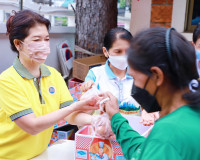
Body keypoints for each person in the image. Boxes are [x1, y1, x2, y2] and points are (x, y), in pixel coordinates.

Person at [0, 10, 99, 160]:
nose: (44, 45)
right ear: (18, 44)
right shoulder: (7, 81)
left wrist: (98, 122)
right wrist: (75, 106)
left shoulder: (53, 74)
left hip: (40, 154)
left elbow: (71, 116)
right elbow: (32, 126)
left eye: (46, 39)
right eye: (36, 40)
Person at [101, 27, 200, 160]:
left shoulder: (168, 133)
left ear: (157, 75)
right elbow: (144, 151)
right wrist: (115, 117)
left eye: (135, 78)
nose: (135, 87)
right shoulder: (190, 112)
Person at [66, 28, 158, 127]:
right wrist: (88, 92)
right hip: (104, 135)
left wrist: (148, 111)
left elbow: (150, 104)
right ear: (105, 51)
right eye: (118, 52)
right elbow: (80, 112)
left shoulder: (139, 75)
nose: (124, 56)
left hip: (133, 133)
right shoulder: (95, 74)